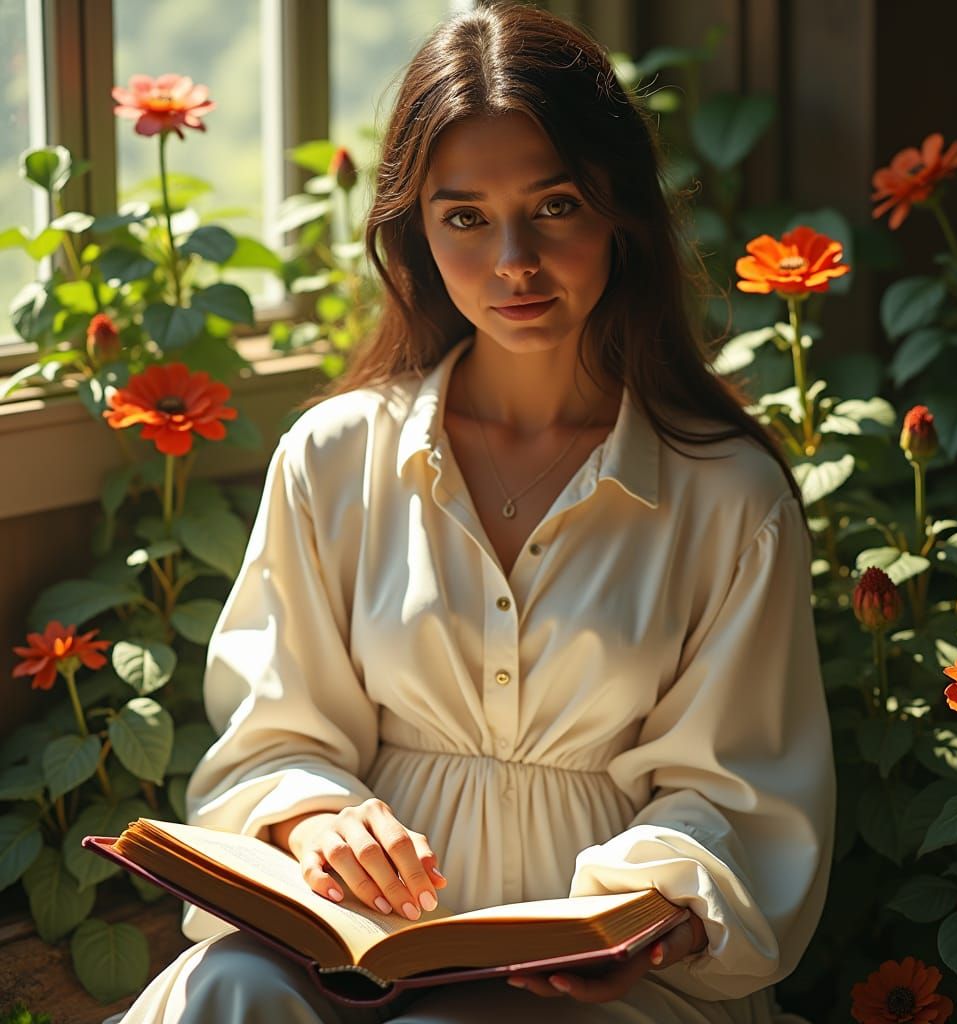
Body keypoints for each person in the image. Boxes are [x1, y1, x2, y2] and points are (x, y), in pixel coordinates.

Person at [113, 4, 834, 1022]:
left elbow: (741, 795)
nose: (513, 261)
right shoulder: (335, 457)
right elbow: (271, 737)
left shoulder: (725, 495)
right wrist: (316, 822)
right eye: (464, 217)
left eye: (554, 206)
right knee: (228, 987)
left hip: (610, 983)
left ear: (620, 211)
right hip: (352, 946)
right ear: (416, 229)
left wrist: (651, 918)